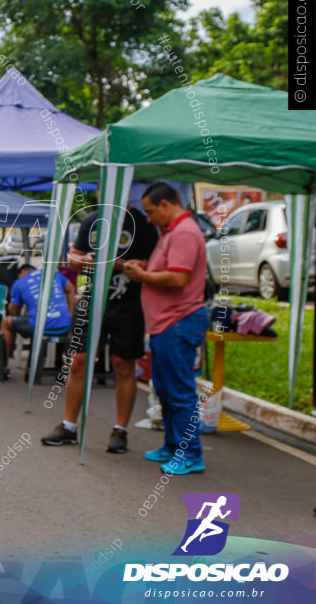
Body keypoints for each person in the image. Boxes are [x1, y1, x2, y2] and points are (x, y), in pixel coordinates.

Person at [41, 204, 158, 453]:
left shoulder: (143, 223)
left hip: (129, 305)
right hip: (92, 300)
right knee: (77, 361)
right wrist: (83, 260)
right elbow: (73, 259)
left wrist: (120, 264)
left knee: (124, 365)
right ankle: (68, 426)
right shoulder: (92, 219)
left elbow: (154, 265)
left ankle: (120, 430)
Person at [125, 182, 208, 475]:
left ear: (165, 204)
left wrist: (143, 274)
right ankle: (174, 445)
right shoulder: (172, 232)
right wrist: (146, 265)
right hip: (166, 324)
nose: (148, 219)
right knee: (165, 388)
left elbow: (177, 279)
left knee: (180, 391)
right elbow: (169, 268)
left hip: (178, 321)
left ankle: (190, 453)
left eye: (150, 212)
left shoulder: (184, 233)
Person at [2, 264, 76, 377]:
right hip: (64, 324)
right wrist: (70, 314)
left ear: (21, 272)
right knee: (69, 334)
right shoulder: (53, 274)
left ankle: (4, 367)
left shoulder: (19, 283)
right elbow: (71, 288)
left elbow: (14, 312)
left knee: (6, 323)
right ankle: (71, 371)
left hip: (41, 326)